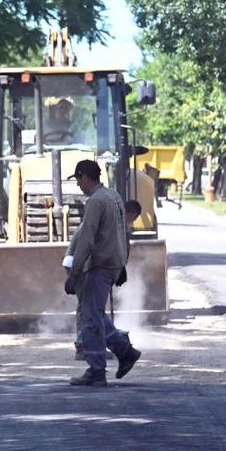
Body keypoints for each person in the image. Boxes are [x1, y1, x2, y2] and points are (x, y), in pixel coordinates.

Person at [62, 160, 140, 386]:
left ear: (85, 177)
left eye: (78, 179)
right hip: (111, 264)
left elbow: (87, 239)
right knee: (94, 313)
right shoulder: (113, 196)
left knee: (90, 318)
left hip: (99, 266)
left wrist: (74, 274)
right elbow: (120, 232)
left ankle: (96, 371)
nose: (78, 185)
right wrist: (121, 263)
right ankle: (125, 352)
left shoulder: (96, 201)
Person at [72, 199, 141, 361]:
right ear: (130, 214)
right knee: (90, 310)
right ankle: (87, 346)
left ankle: (92, 347)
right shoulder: (110, 225)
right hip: (85, 266)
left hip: (90, 267)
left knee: (91, 309)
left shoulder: (114, 224)